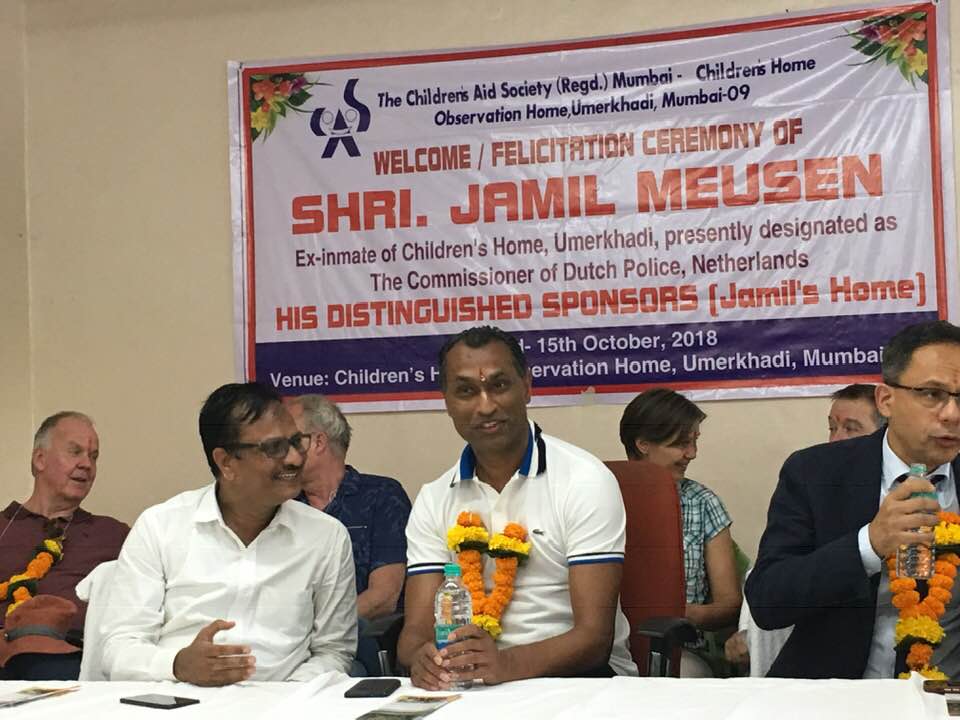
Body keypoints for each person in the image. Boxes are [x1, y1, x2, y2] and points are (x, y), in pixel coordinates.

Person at [398, 326, 637, 690]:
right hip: (469, 684)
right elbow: (415, 631)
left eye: (499, 385)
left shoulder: (584, 480)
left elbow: (594, 639)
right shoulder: (434, 498)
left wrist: (504, 664)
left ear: (526, 386)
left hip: (577, 682)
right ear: (446, 401)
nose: (486, 405)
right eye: (466, 391)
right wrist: (422, 658)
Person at [101, 383, 357, 685]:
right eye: (274, 447)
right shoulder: (161, 526)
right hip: (178, 699)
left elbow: (333, 651)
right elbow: (117, 648)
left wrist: (289, 697)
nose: (294, 458)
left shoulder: (326, 536)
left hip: (283, 705)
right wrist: (177, 664)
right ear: (226, 462)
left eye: (296, 442)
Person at [746, 320, 960, 678]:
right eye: (932, 394)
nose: (952, 414)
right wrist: (868, 545)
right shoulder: (816, 473)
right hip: (839, 693)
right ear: (886, 400)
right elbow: (768, 601)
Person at [726, 383, 883, 674]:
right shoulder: (812, 481)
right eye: (832, 427)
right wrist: (867, 547)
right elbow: (767, 592)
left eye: (851, 428)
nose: (836, 439)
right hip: (828, 680)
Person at [618, 388, 742, 676]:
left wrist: (679, 614)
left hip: (680, 647)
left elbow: (729, 604)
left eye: (694, 442)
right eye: (681, 444)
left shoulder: (703, 503)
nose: (692, 454)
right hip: (610, 645)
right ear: (644, 444)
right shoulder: (601, 494)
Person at [0, 411, 128, 680]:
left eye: (93, 456)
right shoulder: (4, 526)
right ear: (39, 459)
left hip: (68, 665)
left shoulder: (113, 535)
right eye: (75, 452)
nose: (86, 464)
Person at [285, 394, 411, 620]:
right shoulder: (284, 506)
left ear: (318, 442)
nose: (282, 454)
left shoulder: (381, 496)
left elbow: (383, 597)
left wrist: (315, 631)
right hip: (291, 642)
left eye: (290, 441)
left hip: (363, 639)